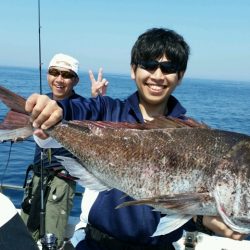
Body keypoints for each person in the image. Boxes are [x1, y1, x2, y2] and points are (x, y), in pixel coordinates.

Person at [25, 28, 246, 250]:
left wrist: (205, 220)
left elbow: (183, 208)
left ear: (180, 75)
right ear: (133, 70)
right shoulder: (107, 109)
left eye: (168, 68)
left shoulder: (194, 135)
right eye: (149, 65)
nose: (158, 76)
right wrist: (53, 109)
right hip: (97, 244)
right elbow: (77, 109)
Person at [21, 53, 108, 248]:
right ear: (47, 75)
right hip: (36, 177)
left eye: (66, 75)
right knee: (25, 235)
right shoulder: (40, 105)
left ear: (75, 80)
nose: (59, 79)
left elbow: (97, 128)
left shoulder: (81, 106)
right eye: (54, 72)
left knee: (52, 240)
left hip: (62, 182)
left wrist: (98, 99)